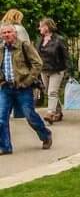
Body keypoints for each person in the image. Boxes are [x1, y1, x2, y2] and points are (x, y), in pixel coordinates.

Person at [0, 23, 53, 153]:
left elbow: (37, 63)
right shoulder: (1, 49)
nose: (6, 35)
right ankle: (5, 147)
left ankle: (45, 135)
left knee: (30, 115)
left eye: (9, 32)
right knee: (1, 118)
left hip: (23, 87)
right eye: (4, 33)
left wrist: (28, 81)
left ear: (14, 33)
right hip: (6, 87)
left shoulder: (24, 46)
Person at [37, 17, 69, 124]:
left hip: (57, 69)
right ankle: (58, 112)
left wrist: (68, 70)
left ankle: (50, 113)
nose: (39, 28)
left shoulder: (59, 39)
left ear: (47, 27)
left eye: (41, 26)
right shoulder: (40, 40)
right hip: (44, 69)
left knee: (52, 92)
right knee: (48, 92)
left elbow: (65, 55)